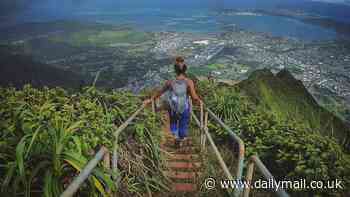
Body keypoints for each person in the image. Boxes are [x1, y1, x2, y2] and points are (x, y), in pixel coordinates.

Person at [144, 56, 202, 148]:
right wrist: (200, 102)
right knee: (183, 126)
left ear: (175, 70)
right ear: (185, 69)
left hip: (173, 108)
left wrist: (151, 99)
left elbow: (160, 92)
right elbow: (194, 97)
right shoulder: (189, 82)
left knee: (173, 123)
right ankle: (181, 138)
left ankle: (176, 137)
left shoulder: (170, 82)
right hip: (184, 108)